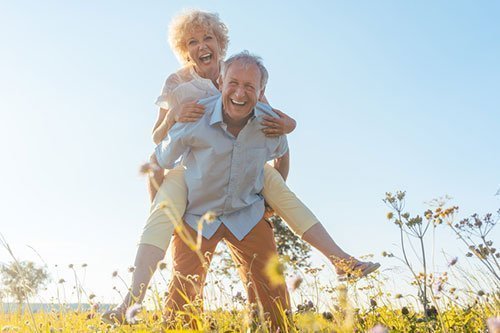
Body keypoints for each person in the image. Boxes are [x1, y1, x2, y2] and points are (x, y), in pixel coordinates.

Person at [102, 9, 379, 324]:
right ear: (184, 50)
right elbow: (157, 145)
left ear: (221, 44)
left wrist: (288, 130)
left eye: (208, 38)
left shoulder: (243, 80)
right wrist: (174, 115)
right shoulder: (180, 86)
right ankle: (130, 301)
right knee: (180, 276)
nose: (201, 45)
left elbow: (276, 131)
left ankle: (339, 259)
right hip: (196, 186)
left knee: (279, 203)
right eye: (192, 41)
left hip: (244, 199)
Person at [155, 52, 290, 329]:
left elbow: (283, 151)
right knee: (183, 297)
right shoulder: (197, 114)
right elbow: (160, 159)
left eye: (250, 87)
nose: (240, 93)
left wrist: (271, 203)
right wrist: (167, 218)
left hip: (246, 213)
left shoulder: (268, 122)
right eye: (233, 83)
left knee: (272, 295)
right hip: (197, 215)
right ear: (221, 82)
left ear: (261, 92)